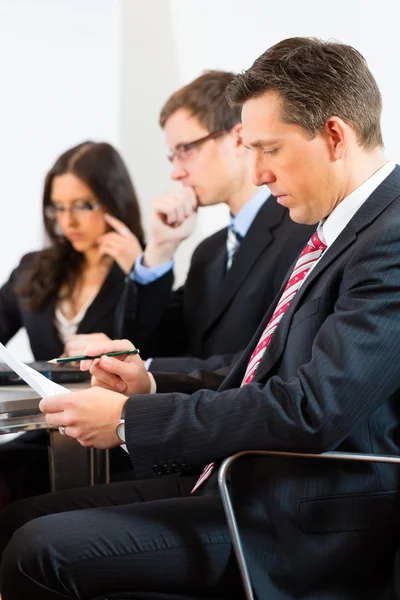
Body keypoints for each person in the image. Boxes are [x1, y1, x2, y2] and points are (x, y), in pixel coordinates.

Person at [1, 37, 400, 600]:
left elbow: (311, 409)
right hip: (252, 485)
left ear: (335, 136)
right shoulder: (338, 233)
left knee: (37, 549)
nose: (257, 173)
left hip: (307, 518)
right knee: (18, 526)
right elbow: (261, 372)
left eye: (269, 149)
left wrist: (125, 423)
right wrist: (150, 383)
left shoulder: (390, 238)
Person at [119, 70, 314, 373]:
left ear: (238, 140)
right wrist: (160, 250)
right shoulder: (209, 252)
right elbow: (144, 345)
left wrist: (150, 370)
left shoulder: (303, 231)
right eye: (173, 156)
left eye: (186, 150)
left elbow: (271, 363)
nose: (176, 173)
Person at [0, 141, 145, 500]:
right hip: (47, 431)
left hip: (118, 440)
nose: (68, 221)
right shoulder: (35, 267)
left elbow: (155, 346)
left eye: (82, 205)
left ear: (113, 200)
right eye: (58, 208)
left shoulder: (143, 272)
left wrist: (142, 274)